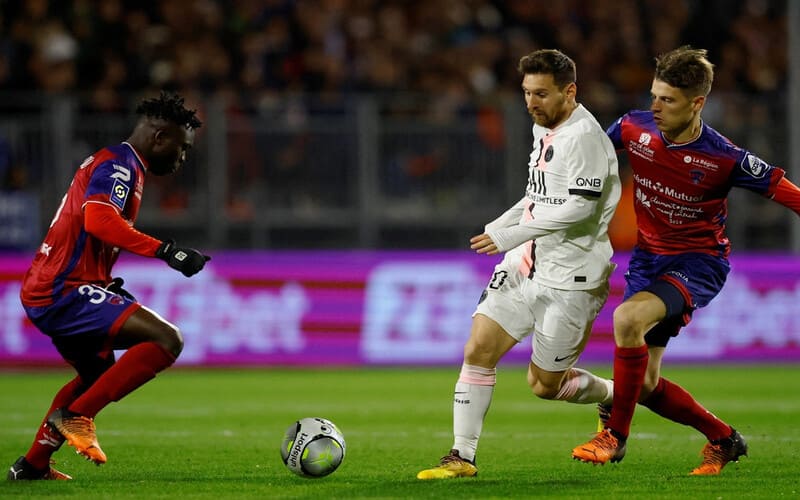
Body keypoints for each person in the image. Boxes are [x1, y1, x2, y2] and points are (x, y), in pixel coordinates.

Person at [572, 46, 800, 475]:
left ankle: (614, 437)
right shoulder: (633, 127)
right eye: (654, 96)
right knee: (644, 384)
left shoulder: (724, 156)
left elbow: (788, 194)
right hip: (648, 261)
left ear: (697, 103)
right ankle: (724, 438)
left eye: (668, 100)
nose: (656, 107)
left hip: (698, 263)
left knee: (626, 320)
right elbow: (585, 160)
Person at [417, 49, 621, 480]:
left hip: (571, 277)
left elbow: (579, 209)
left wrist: (513, 234)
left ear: (570, 91)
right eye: (527, 92)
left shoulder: (584, 138)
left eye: (541, 94)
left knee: (545, 385)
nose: (531, 102)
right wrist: (503, 224)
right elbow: (538, 194)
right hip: (525, 262)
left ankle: (612, 395)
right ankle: (461, 456)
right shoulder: (542, 125)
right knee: (478, 349)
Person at [7, 91, 210, 481]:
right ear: (160, 137)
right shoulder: (120, 164)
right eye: (182, 148)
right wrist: (166, 251)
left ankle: (32, 465)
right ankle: (77, 415)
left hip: (54, 286)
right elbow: (98, 221)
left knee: (96, 374)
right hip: (63, 289)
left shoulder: (119, 164)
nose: (183, 158)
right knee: (168, 339)